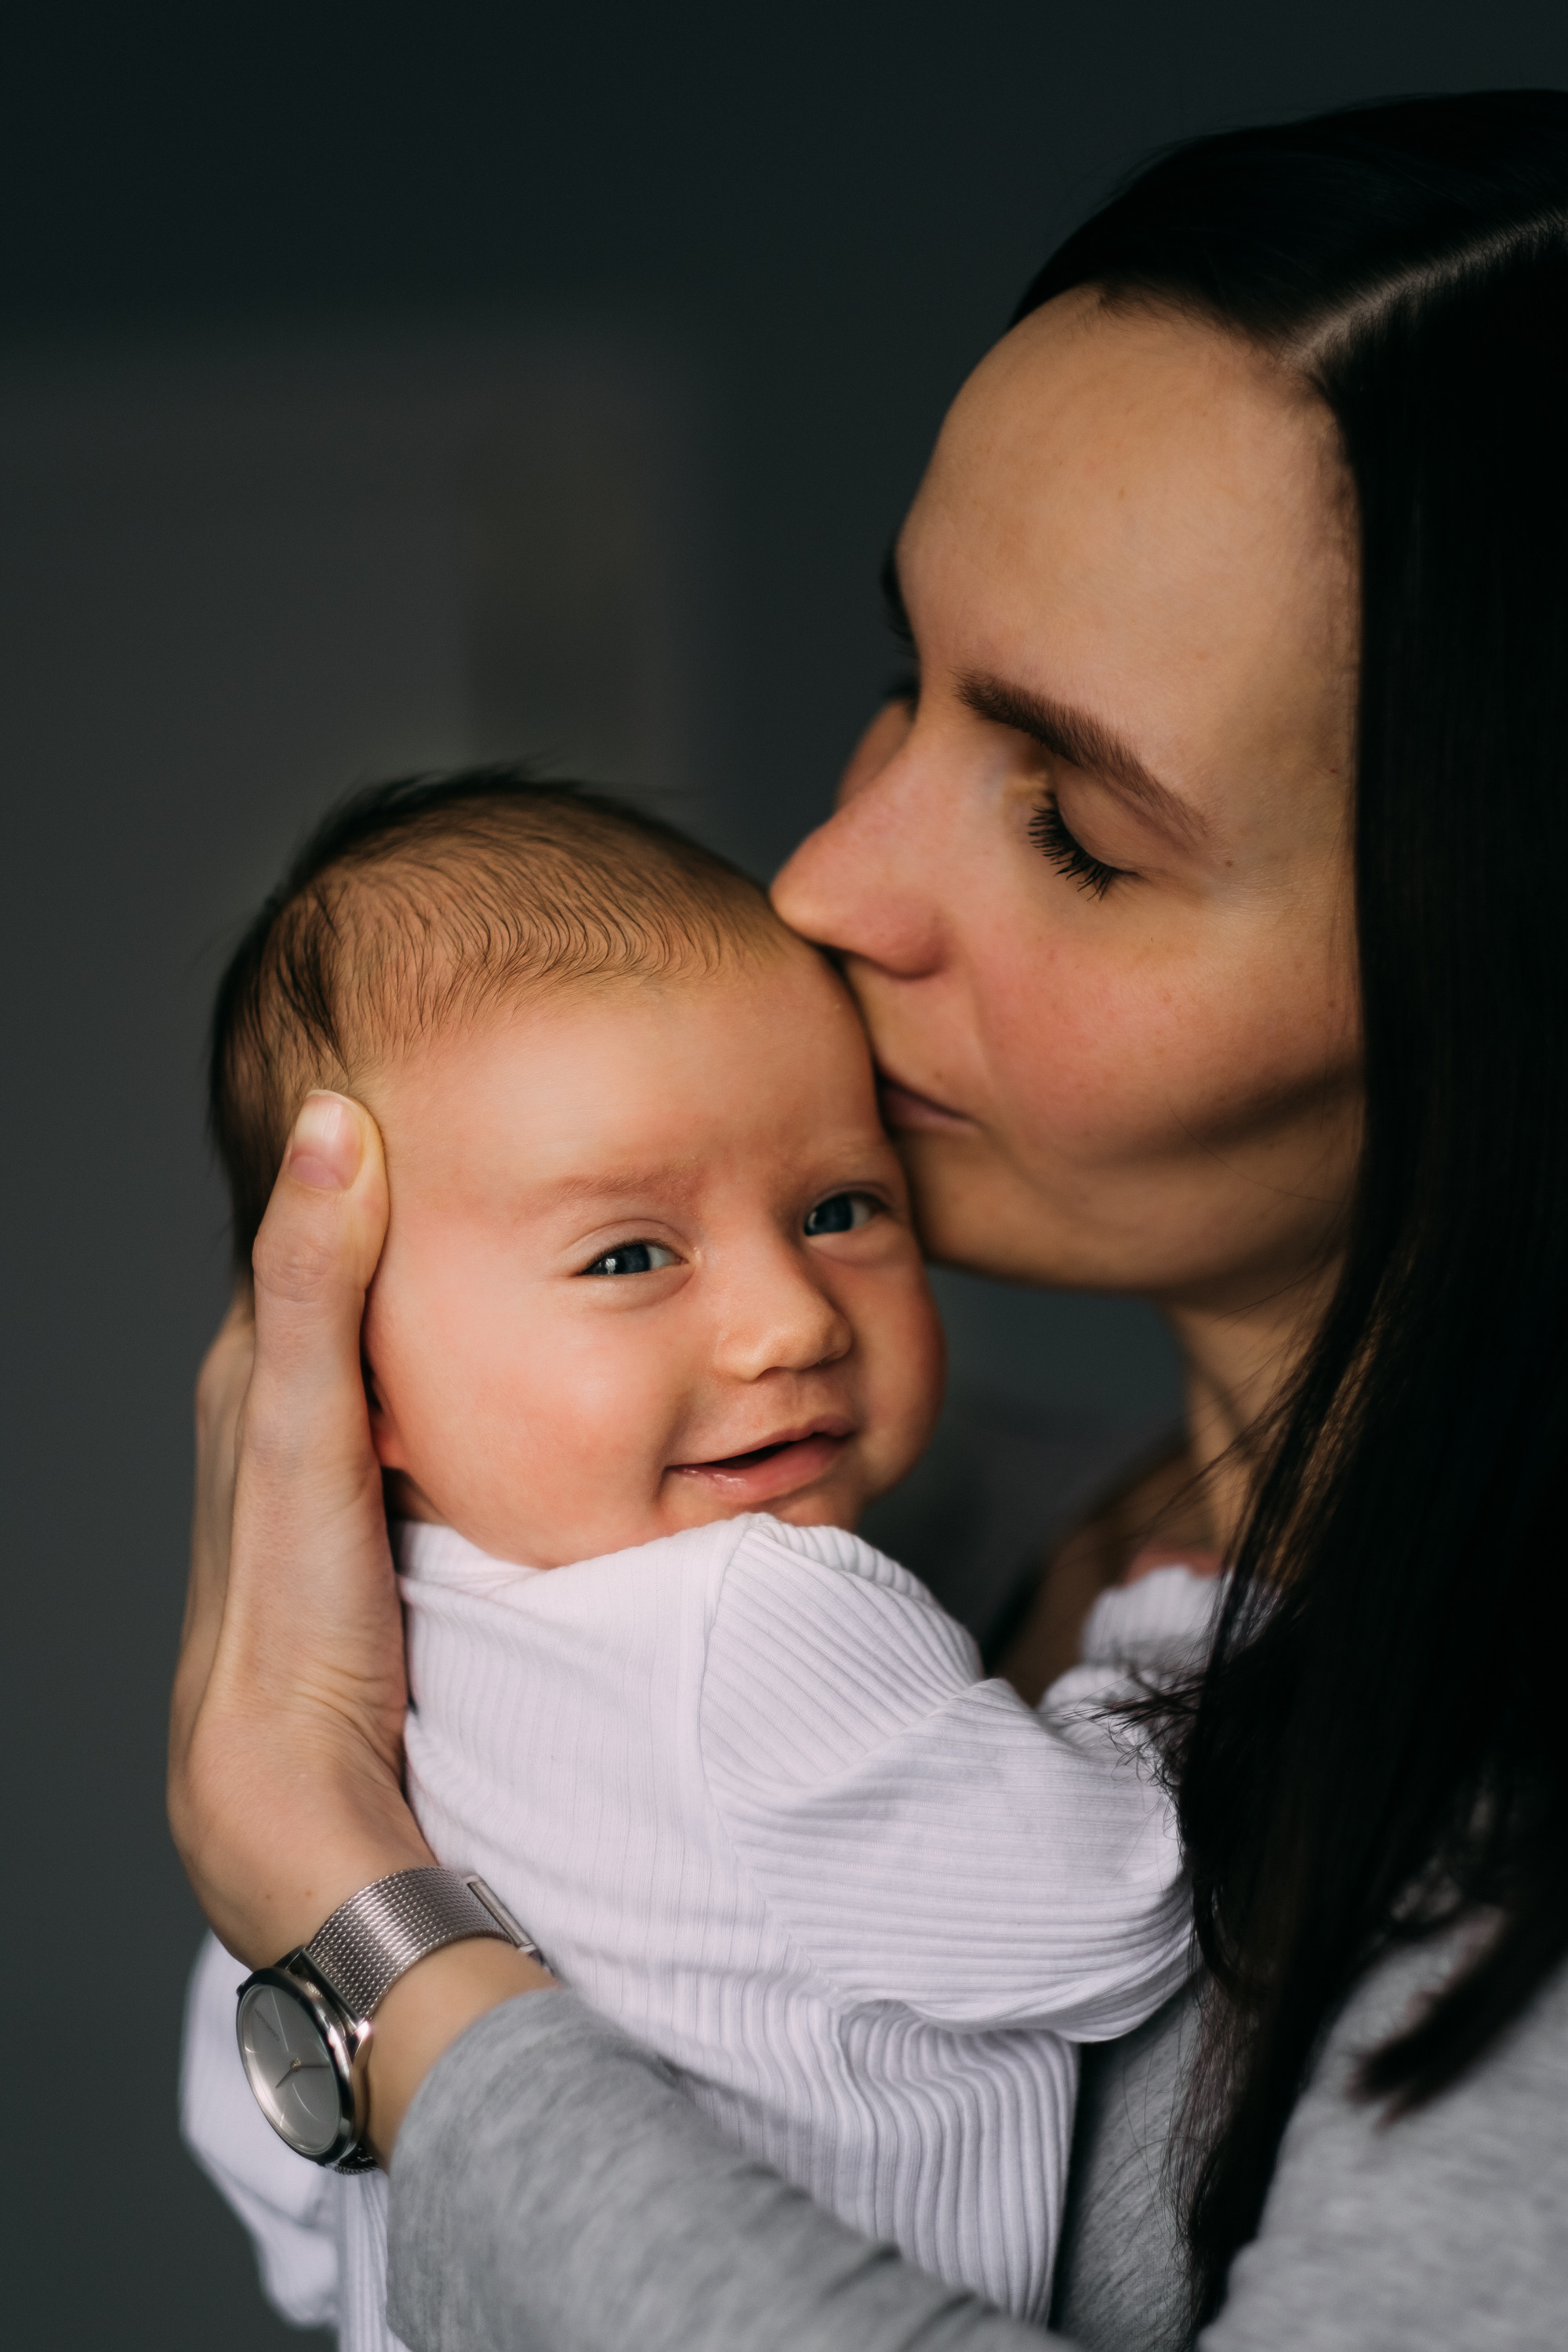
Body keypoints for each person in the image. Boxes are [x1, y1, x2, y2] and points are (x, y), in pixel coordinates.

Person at [170, 92, 1568, 2350]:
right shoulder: (916, 1517)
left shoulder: (1503, 1841)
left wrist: (356, 1924)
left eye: (1076, 830)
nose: (826, 886)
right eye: (903, 676)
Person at [180, 768, 1211, 2346]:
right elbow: (1117, 1912)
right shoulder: (756, 1607)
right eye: (630, 1253)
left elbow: (271, 2175)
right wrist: (1168, 1633)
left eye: (841, 1206)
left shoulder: (372, 1694)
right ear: (361, 1371)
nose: (791, 1317)